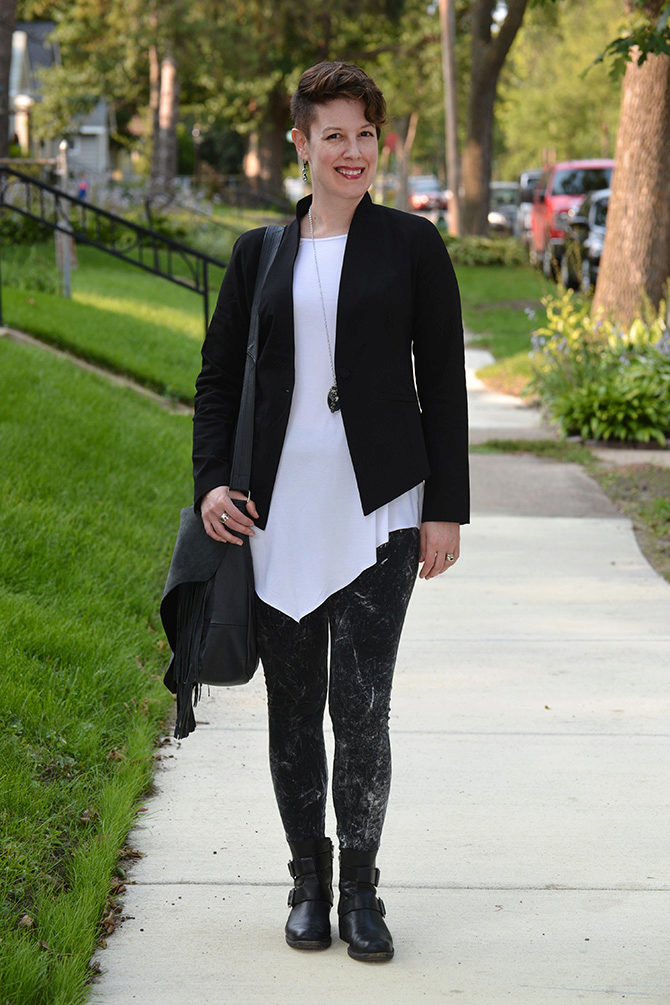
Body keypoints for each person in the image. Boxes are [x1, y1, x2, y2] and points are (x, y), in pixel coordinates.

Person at [192, 61, 469, 963]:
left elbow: (445, 383)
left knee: (362, 708)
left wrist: (445, 508)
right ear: (301, 144)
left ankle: (361, 891)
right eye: (334, 135)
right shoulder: (260, 253)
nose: (353, 151)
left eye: (365, 134)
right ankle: (306, 884)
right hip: (276, 515)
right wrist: (211, 484)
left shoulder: (413, 244)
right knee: (292, 707)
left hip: (381, 510)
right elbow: (218, 379)